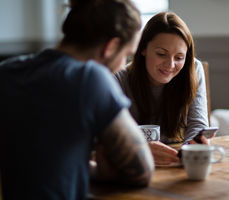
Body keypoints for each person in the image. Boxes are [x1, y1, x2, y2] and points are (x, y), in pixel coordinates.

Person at [0, 0, 154, 199]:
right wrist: (101, 172)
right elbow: (142, 170)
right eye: (126, 55)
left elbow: (43, 163)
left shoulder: (7, 71)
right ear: (110, 46)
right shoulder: (90, 77)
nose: (124, 66)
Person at [115, 11, 210, 166]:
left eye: (179, 57)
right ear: (143, 49)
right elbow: (109, 137)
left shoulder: (193, 68)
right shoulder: (120, 78)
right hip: (134, 164)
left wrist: (191, 149)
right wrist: (138, 148)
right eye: (161, 54)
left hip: (175, 165)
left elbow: (198, 125)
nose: (170, 65)